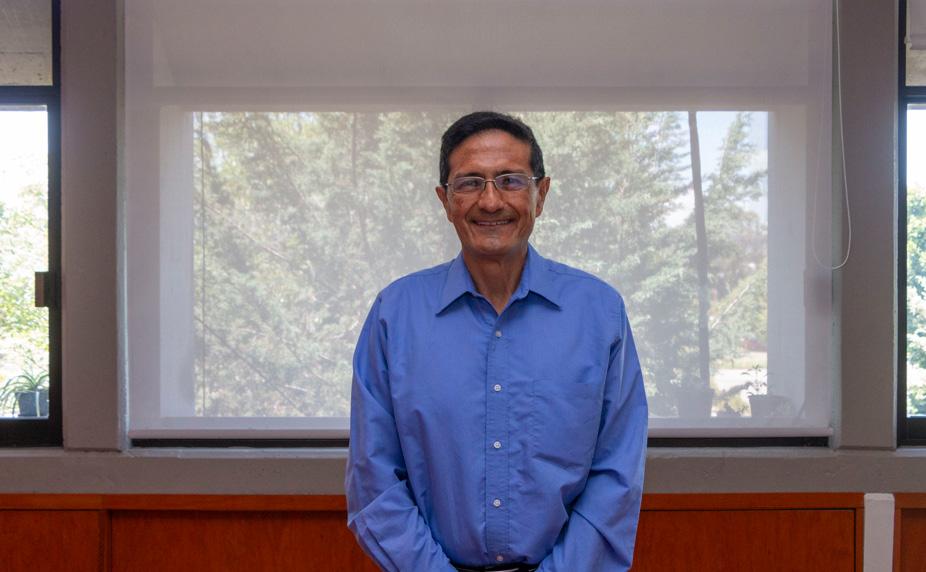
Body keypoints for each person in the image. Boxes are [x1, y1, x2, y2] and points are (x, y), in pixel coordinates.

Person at [345, 111, 648, 572]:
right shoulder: (395, 314)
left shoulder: (599, 312)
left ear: (541, 195)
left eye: (510, 180)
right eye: (470, 183)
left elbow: (617, 473)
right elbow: (374, 479)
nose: (490, 201)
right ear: (446, 201)